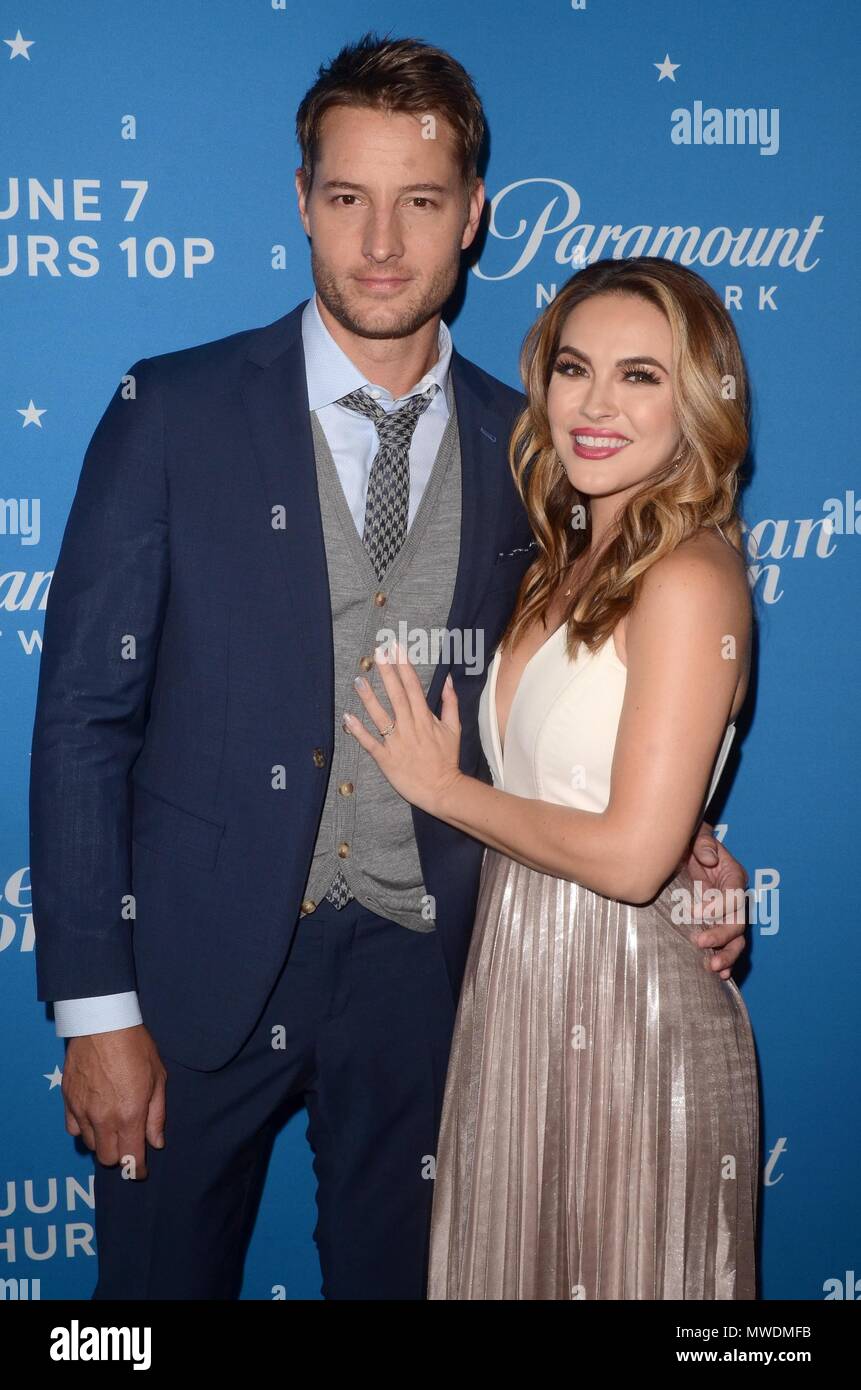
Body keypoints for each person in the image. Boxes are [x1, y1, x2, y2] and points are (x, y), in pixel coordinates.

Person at [30, 35, 749, 1301]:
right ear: (300, 201)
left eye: (418, 202)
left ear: (473, 217)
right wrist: (96, 1008)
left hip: (443, 984)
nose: (379, 243)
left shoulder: (536, 446)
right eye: (347, 198)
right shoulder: (173, 411)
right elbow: (83, 717)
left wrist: (679, 837)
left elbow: (610, 668)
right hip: (194, 975)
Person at [345, 255, 758, 1299]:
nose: (597, 404)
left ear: (698, 400)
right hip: (519, 983)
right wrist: (697, 845)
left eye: (641, 376)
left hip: (631, 1009)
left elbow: (627, 859)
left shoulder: (690, 577)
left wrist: (445, 790)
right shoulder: (561, 553)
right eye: (576, 369)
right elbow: (593, 786)